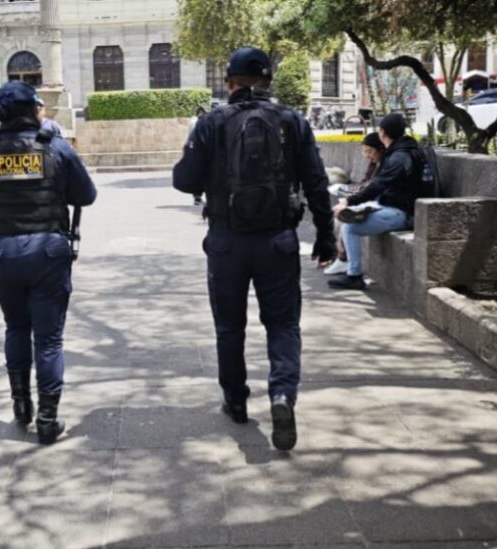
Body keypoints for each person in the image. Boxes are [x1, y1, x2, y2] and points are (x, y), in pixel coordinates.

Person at [172, 46, 337, 451]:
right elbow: (317, 182)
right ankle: (282, 394)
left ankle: (235, 400)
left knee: (230, 328)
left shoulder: (212, 122)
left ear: (228, 82)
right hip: (278, 241)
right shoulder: (291, 121)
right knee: (283, 324)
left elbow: (184, 181)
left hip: (226, 243)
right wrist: (325, 235)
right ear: (269, 80)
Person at [0, 80, 97, 445]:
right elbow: (87, 195)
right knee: (48, 339)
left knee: (16, 326)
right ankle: (48, 419)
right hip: (48, 252)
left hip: (2, 253)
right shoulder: (56, 147)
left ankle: (22, 405)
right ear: (34, 111)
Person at [329, 113, 422, 291]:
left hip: (403, 213)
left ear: (383, 133)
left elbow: (377, 186)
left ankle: (354, 276)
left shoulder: (398, 158)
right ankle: (345, 264)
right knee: (350, 217)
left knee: (351, 227)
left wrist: (348, 201)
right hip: (398, 206)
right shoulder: (407, 150)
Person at [323, 132, 386, 276]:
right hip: (372, 200)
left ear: (380, 149)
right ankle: (338, 257)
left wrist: (350, 199)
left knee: (347, 221)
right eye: (365, 151)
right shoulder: (374, 164)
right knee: (338, 215)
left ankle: (343, 259)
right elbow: (366, 184)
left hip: (383, 203)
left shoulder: (387, 165)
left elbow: (372, 189)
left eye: (369, 151)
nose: (367, 155)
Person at [187, 106, 208, 206]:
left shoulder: (194, 121)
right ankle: (198, 198)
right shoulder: (201, 122)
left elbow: (189, 138)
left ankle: (197, 198)